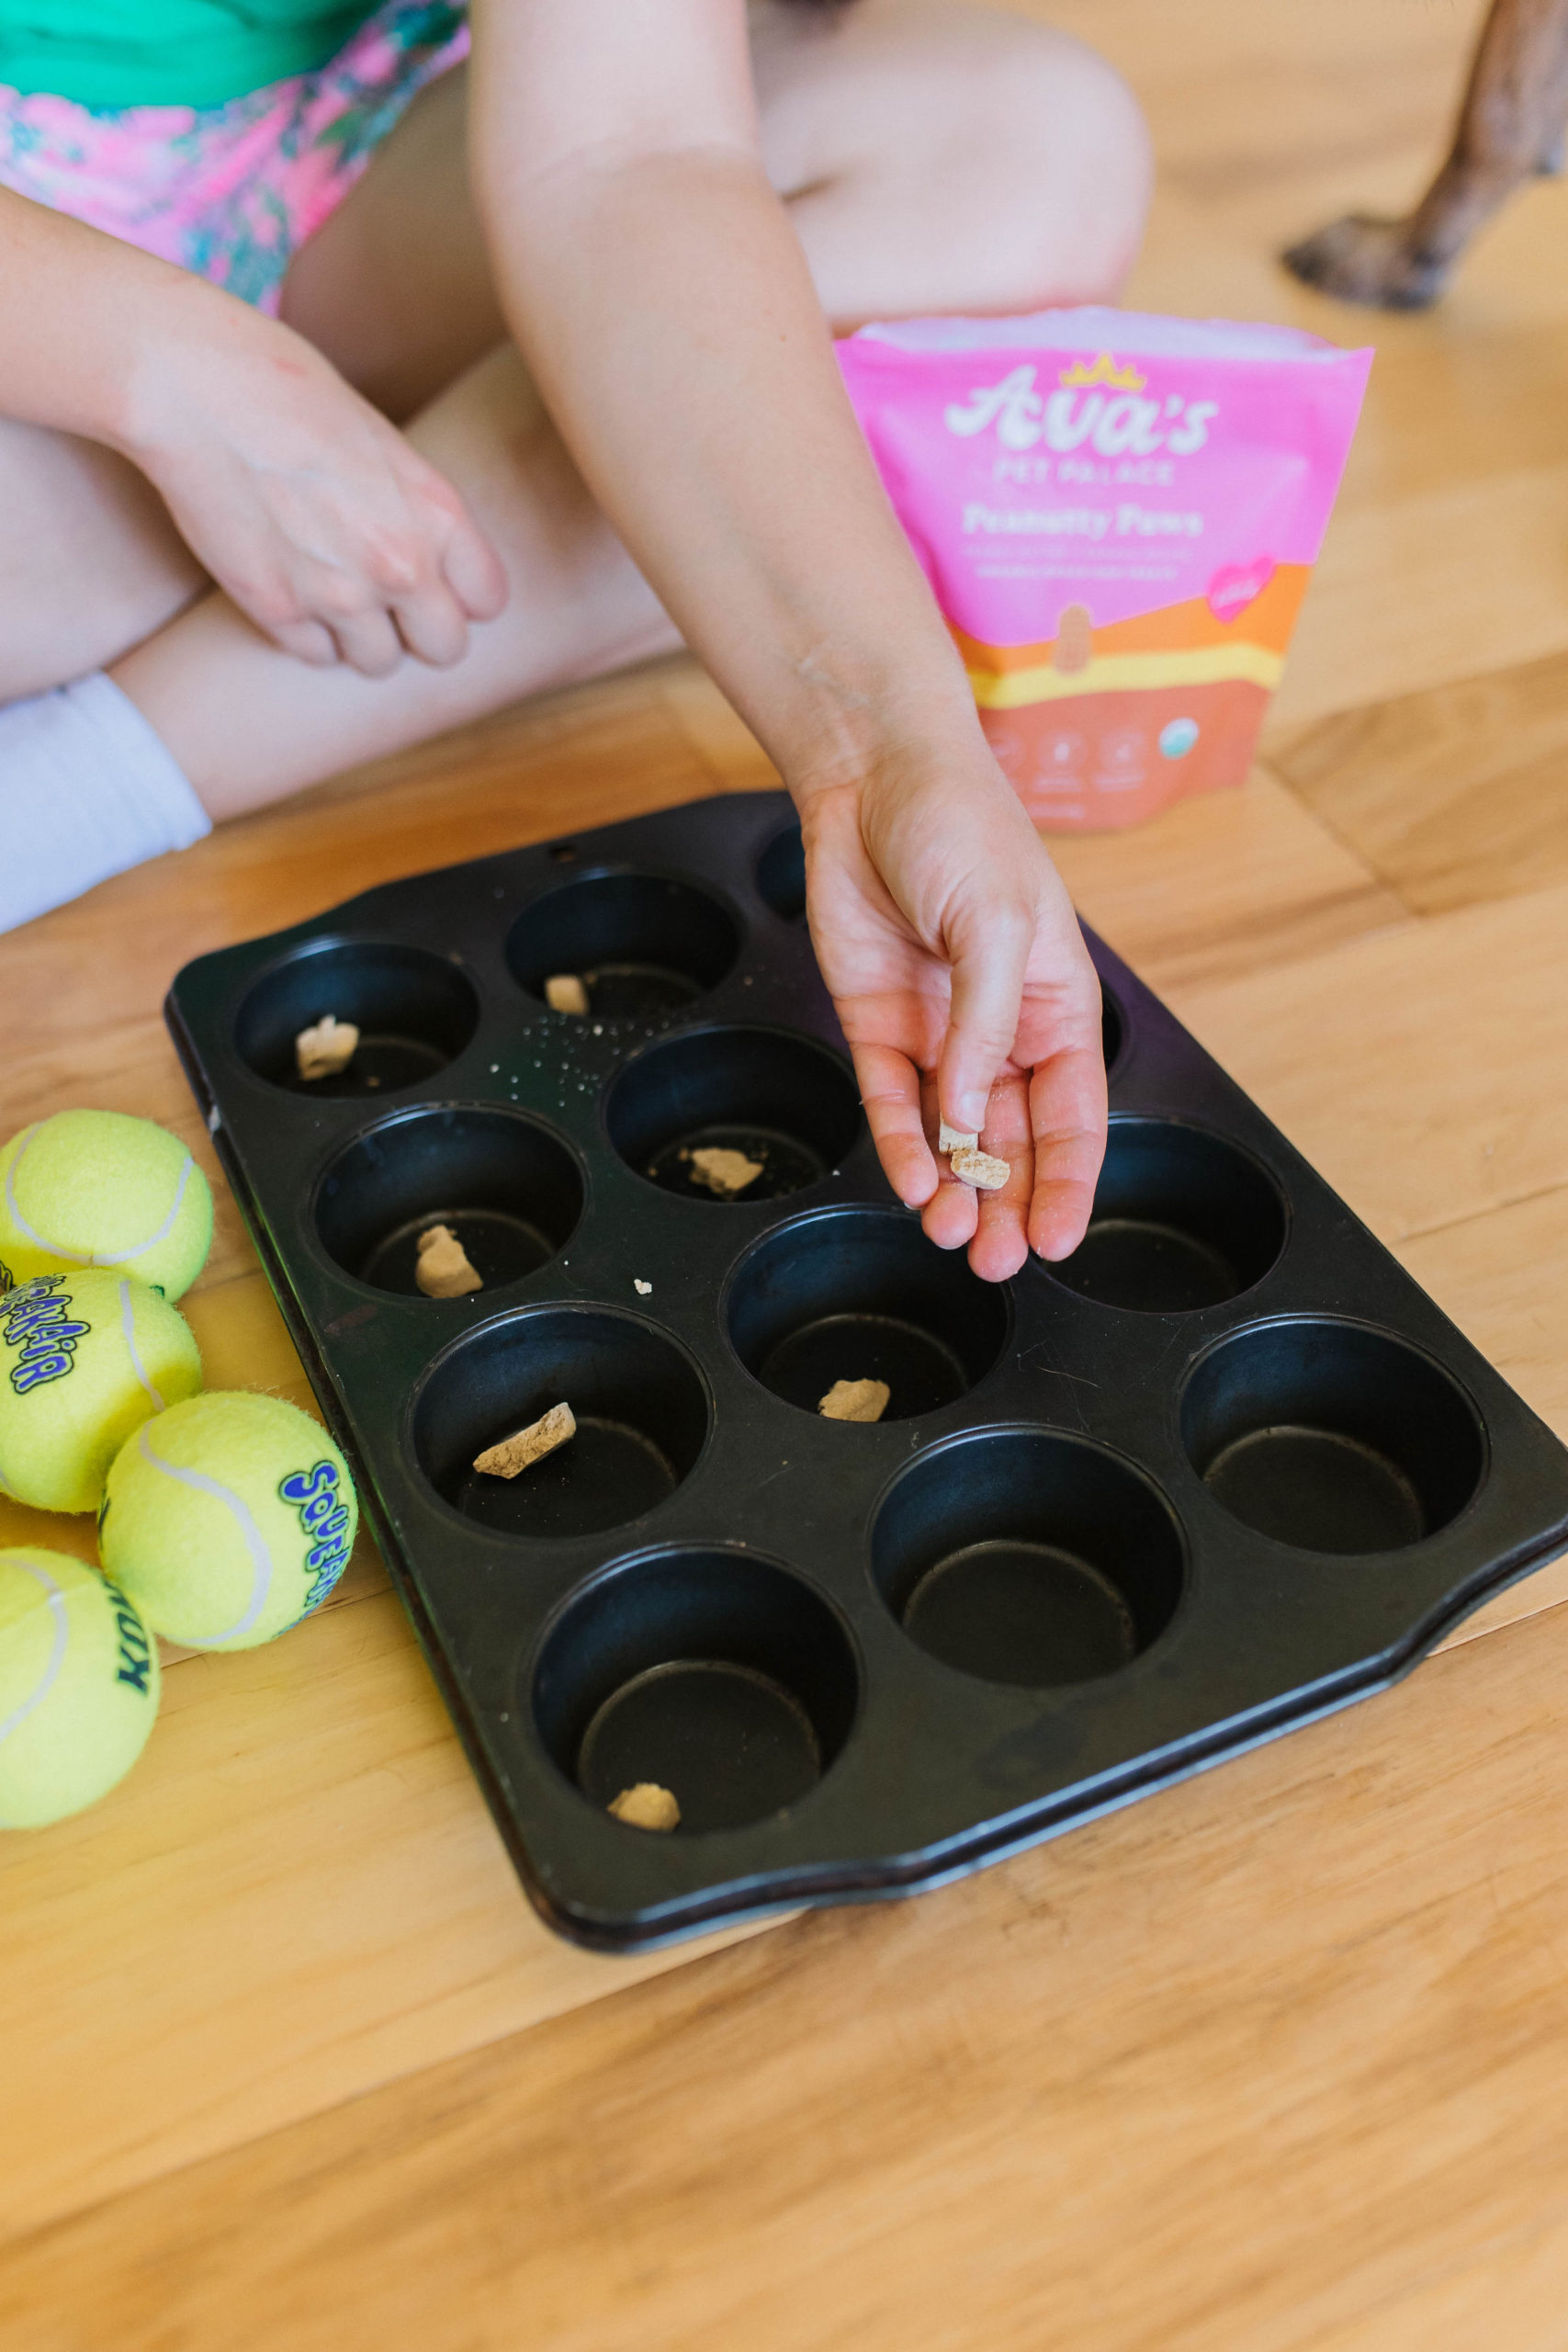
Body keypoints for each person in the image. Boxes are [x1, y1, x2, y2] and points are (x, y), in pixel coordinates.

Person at [0, 0, 1149, 1283]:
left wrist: (884, 749)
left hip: (357, 136)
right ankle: (424, 462)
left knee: (1027, 153)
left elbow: (626, 157)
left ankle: (65, 787)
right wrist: (162, 366)